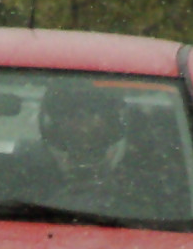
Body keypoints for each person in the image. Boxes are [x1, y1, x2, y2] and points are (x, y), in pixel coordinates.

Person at [37, 83, 130, 213]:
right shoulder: (25, 185)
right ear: (52, 129)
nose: (81, 119)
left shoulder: (143, 191)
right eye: (70, 113)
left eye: (93, 111)